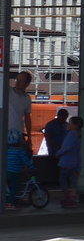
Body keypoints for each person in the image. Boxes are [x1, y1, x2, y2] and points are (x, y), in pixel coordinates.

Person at [5, 71, 33, 211]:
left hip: (18, 134)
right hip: (5, 133)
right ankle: (10, 195)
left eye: (21, 80)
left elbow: (27, 118)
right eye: (17, 79)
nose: (17, 82)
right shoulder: (7, 92)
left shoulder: (27, 99)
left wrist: (29, 136)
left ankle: (13, 195)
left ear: (27, 84)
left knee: (16, 165)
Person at [57, 115, 83, 208]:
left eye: (70, 123)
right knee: (73, 182)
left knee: (63, 180)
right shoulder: (78, 135)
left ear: (75, 125)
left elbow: (66, 147)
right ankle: (72, 199)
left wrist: (58, 153)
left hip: (67, 162)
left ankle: (69, 198)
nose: (68, 124)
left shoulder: (71, 134)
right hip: (74, 163)